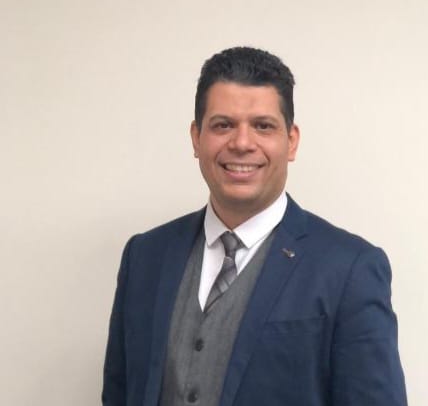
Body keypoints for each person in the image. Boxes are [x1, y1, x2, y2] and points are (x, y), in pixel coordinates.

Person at [102, 47, 408, 406]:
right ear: (196, 137)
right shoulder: (144, 257)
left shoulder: (350, 269)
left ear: (291, 141)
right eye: (223, 125)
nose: (242, 143)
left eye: (263, 126)